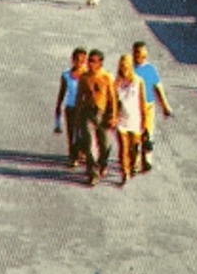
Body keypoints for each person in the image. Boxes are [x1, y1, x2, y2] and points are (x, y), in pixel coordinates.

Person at [74, 49, 118, 186]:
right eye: (89, 61)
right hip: (88, 113)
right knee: (89, 144)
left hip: (103, 114)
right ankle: (92, 173)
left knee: (105, 144)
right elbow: (79, 97)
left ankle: (103, 163)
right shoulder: (84, 77)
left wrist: (113, 116)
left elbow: (112, 98)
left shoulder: (106, 77)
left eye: (93, 61)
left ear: (100, 63)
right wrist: (77, 114)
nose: (90, 64)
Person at [131, 41, 174, 174]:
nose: (137, 55)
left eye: (140, 52)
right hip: (133, 107)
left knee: (148, 135)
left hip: (148, 106)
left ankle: (147, 160)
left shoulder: (150, 69)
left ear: (145, 54)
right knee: (135, 136)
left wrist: (165, 105)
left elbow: (158, 87)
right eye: (136, 52)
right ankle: (135, 162)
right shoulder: (129, 68)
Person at [112, 55, 147, 187]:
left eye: (126, 65)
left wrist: (144, 121)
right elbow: (114, 102)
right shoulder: (117, 83)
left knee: (133, 149)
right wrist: (114, 117)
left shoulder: (139, 81)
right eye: (121, 65)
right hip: (122, 121)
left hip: (135, 120)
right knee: (123, 149)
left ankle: (133, 165)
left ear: (131, 66)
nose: (123, 68)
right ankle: (124, 173)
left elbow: (143, 102)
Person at [54, 47, 88, 168]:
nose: (80, 63)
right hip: (71, 107)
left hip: (84, 108)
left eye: (83, 60)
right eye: (77, 60)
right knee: (72, 132)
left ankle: (82, 151)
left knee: (83, 132)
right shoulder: (66, 75)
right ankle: (73, 156)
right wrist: (58, 106)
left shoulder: (88, 74)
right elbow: (62, 92)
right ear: (73, 60)